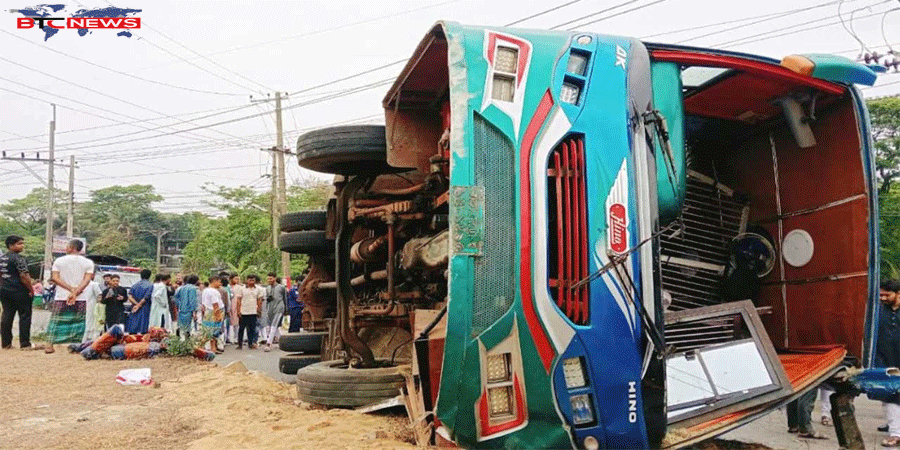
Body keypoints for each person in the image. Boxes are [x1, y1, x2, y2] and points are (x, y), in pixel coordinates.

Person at [46, 239, 94, 353]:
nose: (65, 248)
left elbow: (55, 278)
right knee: (78, 322)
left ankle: (49, 345)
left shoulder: (59, 261)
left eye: (67, 246)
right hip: (81, 296)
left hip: (61, 295)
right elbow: (87, 280)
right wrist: (76, 292)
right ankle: (75, 346)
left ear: (71, 247)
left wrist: (70, 290)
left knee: (56, 321)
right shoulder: (88, 263)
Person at [1, 235, 35, 350]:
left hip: (4, 290)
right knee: (25, 315)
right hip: (19, 290)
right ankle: (25, 343)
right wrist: (30, 289)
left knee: (7, 315)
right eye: (19, 244)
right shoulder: (18, 258)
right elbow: (24, 275)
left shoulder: (2, 257)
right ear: (11, 245)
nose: (22, 246)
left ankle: (6, 343)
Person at [877, 280, 900, 447]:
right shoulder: (877, 311)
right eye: (881, 295)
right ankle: (895, 433)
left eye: (887, 295)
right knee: (890, 396)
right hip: (886, 360)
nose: (883, 298)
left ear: (898, 294)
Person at [235, 274, 264, 350]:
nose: (251, 282)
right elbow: (238, 300)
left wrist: (259, 310)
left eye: (253, 280)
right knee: (241, 329)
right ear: (246, 280)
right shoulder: (241, 289)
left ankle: (250, 343)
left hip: (253, 312)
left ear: (255, 281)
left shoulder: (258, 289)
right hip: (243, 311)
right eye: (250, 280)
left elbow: (259, 300)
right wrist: (238, 311)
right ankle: (240, 344)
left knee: (251, 329)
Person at [261, 272, 286, 352]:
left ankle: (269, 343)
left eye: (271, 278)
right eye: (268, 278)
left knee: (273, 326)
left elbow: (285, 299)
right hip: (270, 309)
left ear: (275, 278)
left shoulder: (281, 287)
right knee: (273, 326)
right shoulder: (267, 288)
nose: (269, 280)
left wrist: (286, 310)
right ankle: (282, 342)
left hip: (279, 308)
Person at [201, 276, 225, 354]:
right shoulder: (213, 292)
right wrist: (217, 315)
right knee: (211, 331)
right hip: (214, 312)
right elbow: (215, 304)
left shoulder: (205, 290)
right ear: (214, 281)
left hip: (208, 311)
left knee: (211, 331)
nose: (220, 284)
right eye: (219, 282)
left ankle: (213, 348)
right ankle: (201, 347)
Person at [126, 269, 153, 334]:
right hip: (145, 308)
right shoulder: (150, 285)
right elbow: (146, 297)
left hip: (134, 307)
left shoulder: (135, 285)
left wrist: (136, 304)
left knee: (133, 327)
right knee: (144, 328)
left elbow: (130, 297)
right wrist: (139, 305)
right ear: (149, 276)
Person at [81, 274, 103, 342]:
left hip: (91, 306)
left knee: (89, 324)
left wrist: (99, 307)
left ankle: (86, 341)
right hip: (81, 306)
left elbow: (99, 295)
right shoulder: (80, 284)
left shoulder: (94, 284)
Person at [228, 274, 242, 343]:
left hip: (236, 306)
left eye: (238, 279)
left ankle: (236, 338)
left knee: (236, 323)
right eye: (236, 279)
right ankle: (227, 338)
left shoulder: (239, 287)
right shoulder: (227, 287)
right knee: (227, 323)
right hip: (228, 307)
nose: (237, 280)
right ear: (231, 279)